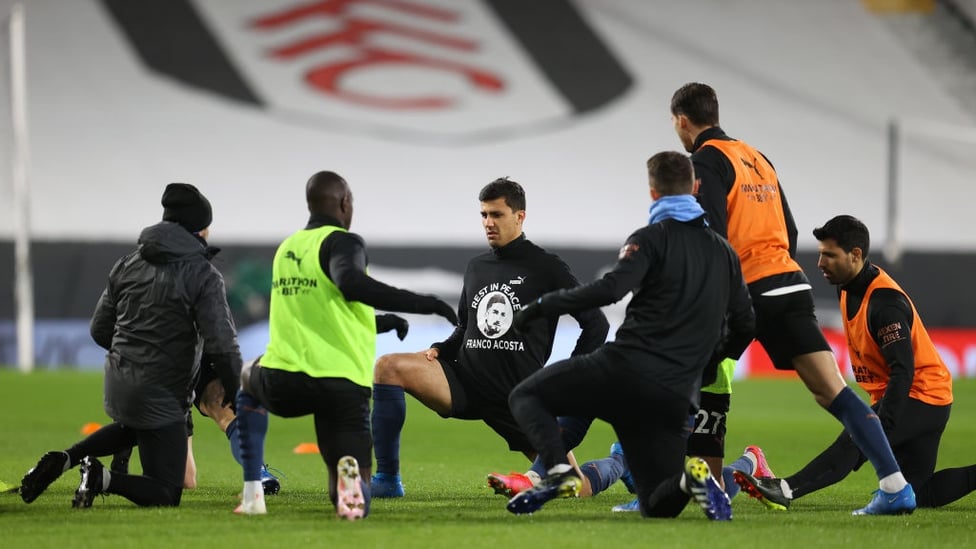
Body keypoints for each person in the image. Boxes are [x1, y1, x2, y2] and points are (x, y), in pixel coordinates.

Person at [670, 82, 915, 515]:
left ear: (682, 121)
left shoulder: (704, 160)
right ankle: (896, 486)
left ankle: (667, 485)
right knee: (833, 392)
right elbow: (791, 230)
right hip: (790, 284)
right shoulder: (758, 157)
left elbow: (713, 236)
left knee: (685, 372)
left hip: (747, 290)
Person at [503, 151, 755, 520]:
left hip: (624, 370)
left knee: (525, 395)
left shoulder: (651, 239)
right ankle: (689, 479)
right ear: (696, 188)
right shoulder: (725, 253)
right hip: (675, 394)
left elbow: (611, 289)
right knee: (656, 504)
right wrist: (704, 366)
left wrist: (542, 305)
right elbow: (746, 323)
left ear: (653, 193)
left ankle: (557, 471)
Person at [233, 171, 458, 519]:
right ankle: (351, 488)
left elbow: (320, 312)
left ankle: (252, 493)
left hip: (284, 379)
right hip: (341, 384)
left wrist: (381, 322)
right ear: (344, 202)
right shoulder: (344, 242)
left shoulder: (287, 249)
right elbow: (351, 284)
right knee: (350, 476)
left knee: (247, 376)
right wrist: (425, 302)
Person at [369, 177, 610, 498]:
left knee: (575, 487)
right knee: (388, 366)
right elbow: (465, 326)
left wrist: (570, 375)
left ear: (520, 216)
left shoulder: (547, 267)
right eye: (483, 215)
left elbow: (597, 324)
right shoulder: (476, 266)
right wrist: (443, 348)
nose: (488, 223)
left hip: (517, 398)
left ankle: (620, 462)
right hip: (466, 381)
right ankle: (386, 480)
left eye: (496, 215)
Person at [19, 183, 243, 508]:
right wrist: (235, 390)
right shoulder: (202, 274)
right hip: (164, 391)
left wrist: (133, 355)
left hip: (119, 384)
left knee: (136, 426)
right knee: (168, 490)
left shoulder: (129, 262)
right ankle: (100, 476)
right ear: (201, 229)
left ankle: (66, 458)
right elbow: (222, 344)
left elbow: (99, 330)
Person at [735, 215, 976, 510]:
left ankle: (786, 488)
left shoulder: (884, 305)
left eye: (829, 255)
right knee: (919, 493)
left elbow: (904, 371)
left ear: (856, 255)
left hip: (919, 395)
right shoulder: (847, 284)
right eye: (821, 253)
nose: (820, 262)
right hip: (929, 395)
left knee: (855, 438)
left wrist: (881, 424)